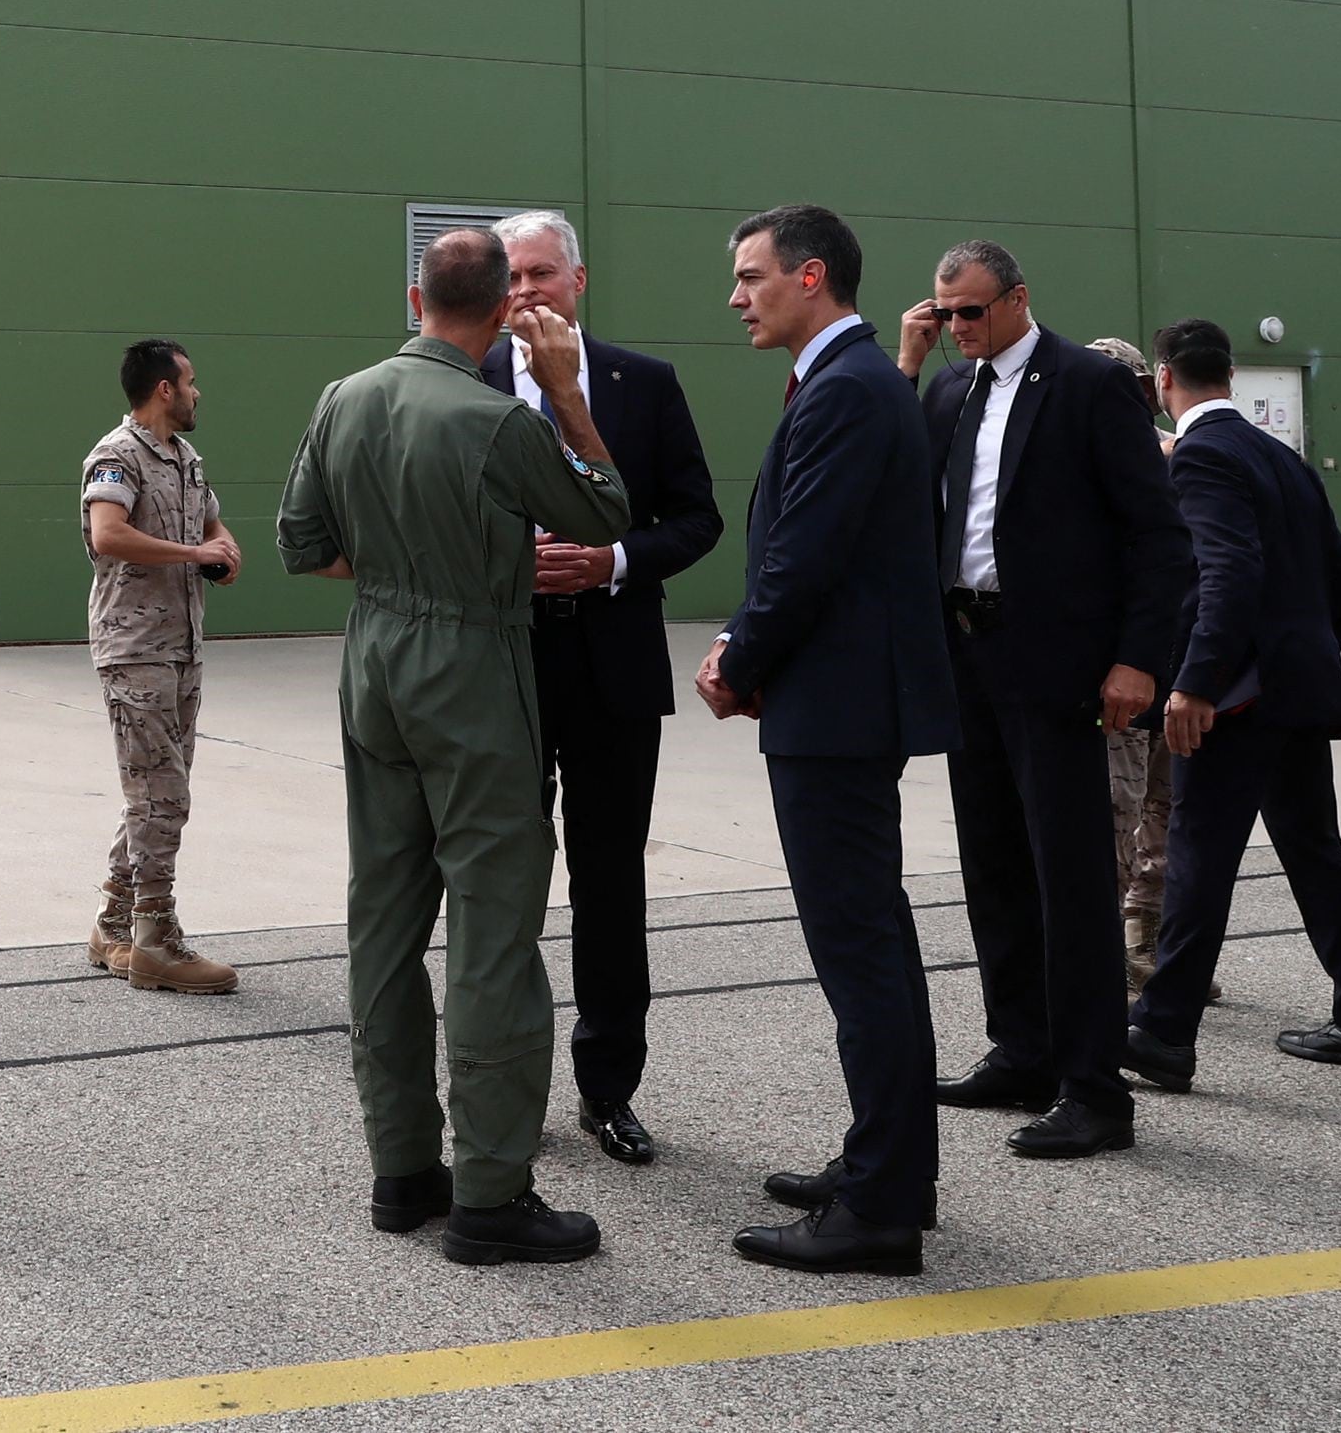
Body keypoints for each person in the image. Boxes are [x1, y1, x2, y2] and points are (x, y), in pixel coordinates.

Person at [277, 228, 630, 1266]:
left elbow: (305, 544)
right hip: (470, 664)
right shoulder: (495, 418)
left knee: (383, 920)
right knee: (491, 929)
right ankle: (489, 1192)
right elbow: (603, 512)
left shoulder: (342, 396)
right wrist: (565, 391)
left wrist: (401, 564)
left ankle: (401, 1171)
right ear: (502, 316)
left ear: (413, 295)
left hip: (375, 655)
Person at [698, 204, 957, 1276]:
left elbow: (803, 556)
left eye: (750, 275)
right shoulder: (849, 381)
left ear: (811, 276)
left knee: (859, 955)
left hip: (838, 712)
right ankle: (883, 1166)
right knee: (876, 946)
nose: (735, 294)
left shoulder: (849, 387)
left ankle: (881, 1208)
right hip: (841, 701)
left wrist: (737, 657)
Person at [897, 243, 1192, 1162]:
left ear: (1020, 299)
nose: (958, 329)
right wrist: (909, 363)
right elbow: (910, 496)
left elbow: (1158, 535)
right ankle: (1020, 1049)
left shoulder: (1088, 385)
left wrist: (1139, 660)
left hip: (1060, 663)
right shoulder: (951, 391)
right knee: (992, 862)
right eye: (944, 315)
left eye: (972, 313)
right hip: (970, 655)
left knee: (1068, 877)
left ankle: (1096, 1088)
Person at [476, 211, 723, 1166]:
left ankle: (608, 1086)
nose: (528, 291)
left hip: (612, 666)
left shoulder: (642, 383)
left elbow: (696, 518)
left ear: (579, 281)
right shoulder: (468, 381)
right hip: (504, 665)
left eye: (543, 272)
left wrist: (614, 559)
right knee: (501, 882)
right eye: (513, 277)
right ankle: (505, 1080)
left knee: (610, 885)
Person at [1122, 319, 1341, 1093]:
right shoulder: (1284, 459)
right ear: (1232, 375)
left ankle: (1162, 1032)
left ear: (1164, 378)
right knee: (1315, 852)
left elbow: (1228, 572)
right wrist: (1297, 659)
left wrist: (1199, 682)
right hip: (1291, 695)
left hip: (1232, 703)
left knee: (1200, 856)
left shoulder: (1204, 456)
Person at [78, 339, 244, 993]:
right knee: (162, 795)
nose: (199, 391)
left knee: (152, 796)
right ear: (165, 388)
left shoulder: (186, 458)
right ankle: (157, 938)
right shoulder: (116, 455)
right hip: (135, 648)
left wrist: (223, 548)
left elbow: (215, 528)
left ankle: (112, 923)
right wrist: (192, 553)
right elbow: (107, 534)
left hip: (182, 647)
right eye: (192, 381)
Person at [1084, 334, 1193, 992]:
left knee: (1161, 810)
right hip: (1127, 673)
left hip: (1172, 668)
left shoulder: (1174, 454)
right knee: (1124, 811)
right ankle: (1110, 951)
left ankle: (1140, 940)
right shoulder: (1085, 458)